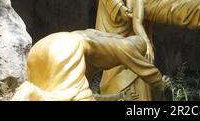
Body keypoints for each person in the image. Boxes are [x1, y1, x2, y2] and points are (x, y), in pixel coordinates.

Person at [11, 29, 170, 101]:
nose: (128, 65)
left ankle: (32, 93)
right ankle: (31, 93)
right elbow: (144, 69)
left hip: (46, 45)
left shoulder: (91, 56)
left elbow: (85, 96)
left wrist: (120, 96)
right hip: (66, 47)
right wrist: (160, 82)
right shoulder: (127, 46)